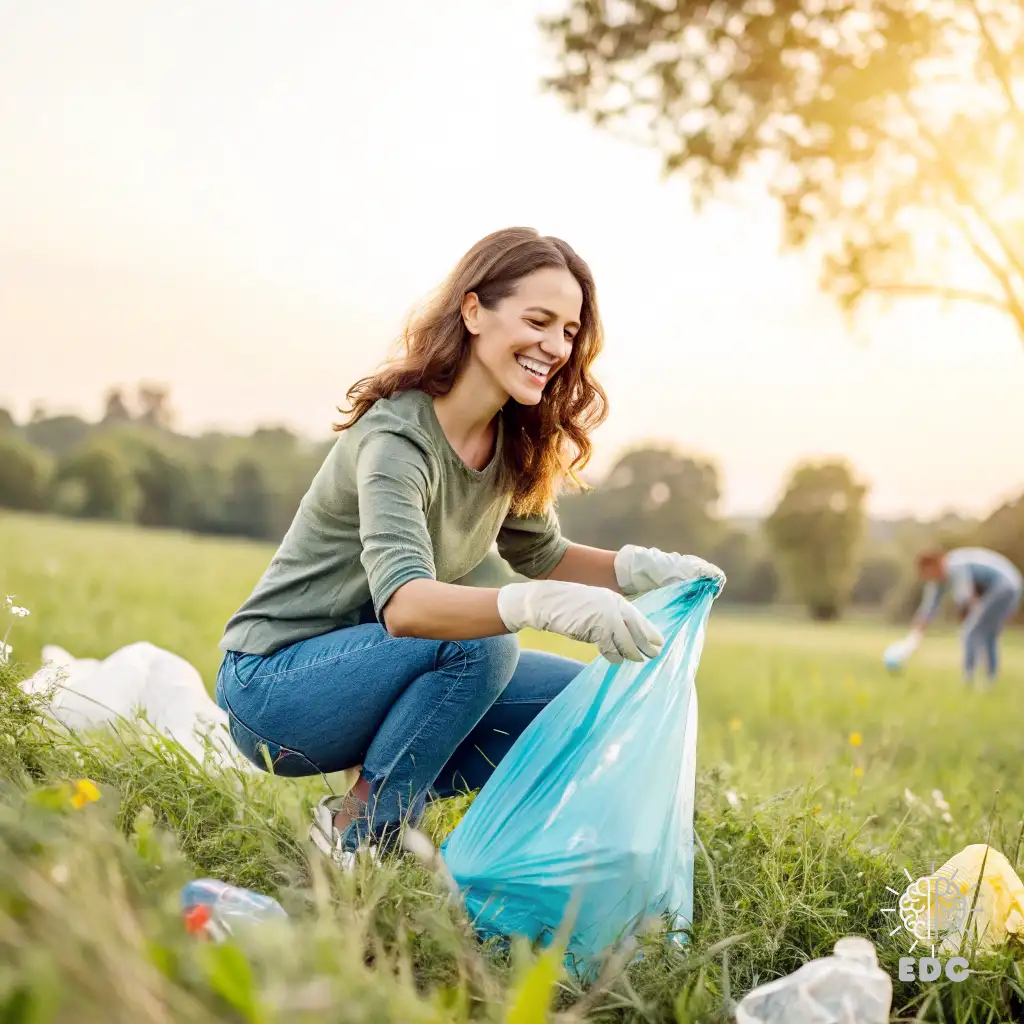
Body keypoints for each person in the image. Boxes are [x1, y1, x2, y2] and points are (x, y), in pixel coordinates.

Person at [214, 227, 725, 867]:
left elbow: (544, 554)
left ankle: (390, 809)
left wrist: (644, 571)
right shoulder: (398, 439)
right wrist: (535, 606)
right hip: (277, 694)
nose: (555, 346)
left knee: (586, 698)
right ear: (474, 310)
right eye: (538, 320)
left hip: (378, 671)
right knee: (483, 642)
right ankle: (362, 832)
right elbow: (405, 608)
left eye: (569, 331)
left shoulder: (510, 443)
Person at [911, 547, 1022, 686]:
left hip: (1004, 586)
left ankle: (968, 679)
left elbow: (965, 598)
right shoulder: (943, 573)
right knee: (988, 635)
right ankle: (990, 680)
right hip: (1012, 584)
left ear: (937, 563)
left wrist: (972, 618)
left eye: (929, 573)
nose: (930, 577)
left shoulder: (954, 566)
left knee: (970, 632)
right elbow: (931, 603)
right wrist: (920, 626)